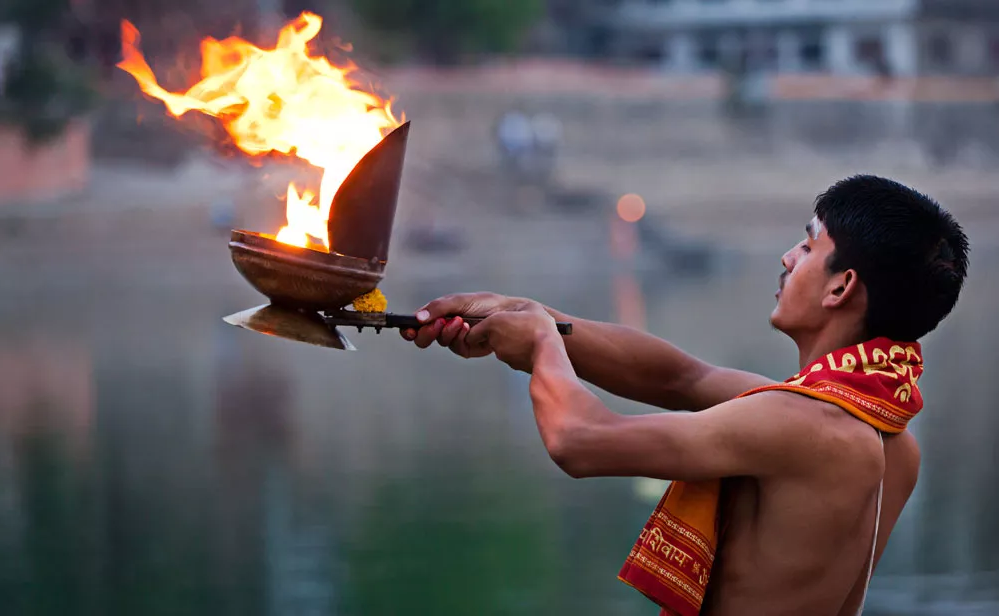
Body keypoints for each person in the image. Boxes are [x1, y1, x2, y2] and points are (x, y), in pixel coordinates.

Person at [402, 175, 969, 616]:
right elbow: (680, 379)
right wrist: (527, 313)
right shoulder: (874, 431)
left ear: (841, 286)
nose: (787, 258)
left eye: (807, 245)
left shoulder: (802, 425)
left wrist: (539, 343)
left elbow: (580, 440)